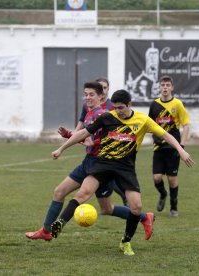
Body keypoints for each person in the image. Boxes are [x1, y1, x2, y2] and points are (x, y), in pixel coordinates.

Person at [49, 89, 195, 256]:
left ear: (129, 105)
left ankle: (125, 242)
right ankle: (59, 223)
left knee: (136, 207)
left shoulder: (142, 120)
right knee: (84, 192)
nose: (117, 111)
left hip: (125, 168)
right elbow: (83, 133)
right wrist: (61, 148)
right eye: (115, 108)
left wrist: (181, 150)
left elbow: (166, 135)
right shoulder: (107, 117)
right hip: (103, 163)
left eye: (120, 108)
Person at [25, 82, 154, 242]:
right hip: (88, 162)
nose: (87, 97)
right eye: (85, 94)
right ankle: (46, 230)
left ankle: (142, 217)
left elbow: (108, 138)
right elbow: (86, 135)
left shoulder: (103, 115)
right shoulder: (89, 112)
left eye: (91, 94)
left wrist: (91, 142)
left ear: (101, 96)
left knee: (104, 207)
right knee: (60, 192)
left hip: (101, 164)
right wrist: (70, 137)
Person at [63, 77, 128, 207]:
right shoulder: (88, 108)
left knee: (89, 194)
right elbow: (83, 128)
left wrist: (95, 142)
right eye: (86, 94)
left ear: (106, 90)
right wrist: (71, 135)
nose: (102, 90)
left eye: (104, 88)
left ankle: (127, 196)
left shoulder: (112, 107)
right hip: (91, 157)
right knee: (106, 208)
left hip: (106, 157)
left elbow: (116, 133)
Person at [148, 75, 190, 217]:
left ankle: (174, 206)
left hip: (173, 148)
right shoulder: (154, 105)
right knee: (157, 178)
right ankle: (163, 194)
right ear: (159, 87)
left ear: (172, 87)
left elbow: (186, 125)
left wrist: (181, 145)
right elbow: (149, 125)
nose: (165, 88)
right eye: (162, 85)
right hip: (158, 148)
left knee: (172, 179)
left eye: (167, 85)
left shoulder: (177, 104)